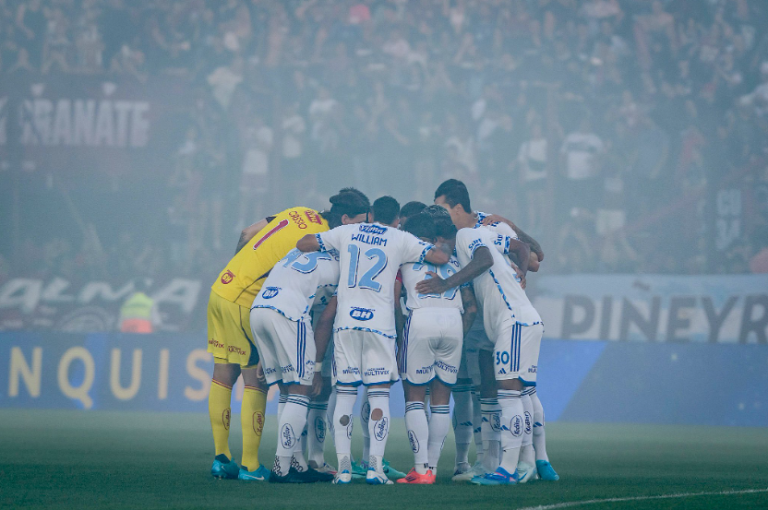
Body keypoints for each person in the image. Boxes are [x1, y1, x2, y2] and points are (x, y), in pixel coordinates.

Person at [206, 189, 370, 481]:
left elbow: (247, 233)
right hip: (249, 299)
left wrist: (238, 270)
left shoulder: (299, 212)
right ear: (344, 219)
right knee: (254, 380)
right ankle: (251, 466)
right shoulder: (322, 240)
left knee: (222, 374)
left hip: (223, 287)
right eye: (358, 223)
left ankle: (221, 458)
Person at [296, 206, 449, 485]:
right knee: (378, 395)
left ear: (369, 215)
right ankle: (374, 469)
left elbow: (303, 243)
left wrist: (337, 252)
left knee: (344, 395)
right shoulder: (399, 237)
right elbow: (439, 256)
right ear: (391, 218)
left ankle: (343, 469)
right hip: (380, 324)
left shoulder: (346, 231)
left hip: (346, 323)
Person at [416, 218, 546, 485]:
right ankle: (524, 462)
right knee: (517, 395)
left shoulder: (465, 235)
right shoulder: (483, 238)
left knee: (510, 395)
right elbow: (521, 247)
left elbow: (485, 260)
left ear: (440, 239)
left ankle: (507, 470)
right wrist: (520, 272)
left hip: (514, 321)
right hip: (518, 321)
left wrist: (445, 283)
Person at [250, 246, 346, 484]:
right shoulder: (345, 266)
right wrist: (315, 370)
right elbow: (324, 320)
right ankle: (281, 468)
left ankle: (297, 464)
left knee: (286, 390)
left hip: (259, 309)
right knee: (301, 391)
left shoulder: (296, 253)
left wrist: (265, 355)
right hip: (289, 313)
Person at [396, 211, 477, 484]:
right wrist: (458, 334)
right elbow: (472, 306)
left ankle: (420, 469)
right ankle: (432, 467)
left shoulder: (405, 252)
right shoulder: (455, 260)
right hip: (454, 321)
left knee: (415, 398)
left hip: (421, 320)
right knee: (442, 401)